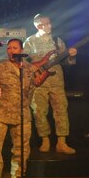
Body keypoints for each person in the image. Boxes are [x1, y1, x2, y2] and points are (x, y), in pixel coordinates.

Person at [23, 14, 77, 154]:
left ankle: (62, 142)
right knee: (39, 111)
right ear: (38, 25)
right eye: (46, 24)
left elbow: (66, 62)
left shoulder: (57, 41)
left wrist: (71, 55)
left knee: (61, 109)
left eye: (50, 23)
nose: (49, 26)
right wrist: (32, 68)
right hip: (39, 81)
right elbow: (23, 61)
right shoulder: (30, 41)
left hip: (57, 80)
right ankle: (45, 140)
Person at [0, 39, 36, 178]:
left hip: (22, 114)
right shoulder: (0, 67)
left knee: (22, 149)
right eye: (9, 48)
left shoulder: (29, 69)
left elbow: (31, 91)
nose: (11, 50)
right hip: (2, 113)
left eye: (15, 47)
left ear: (22, 50)